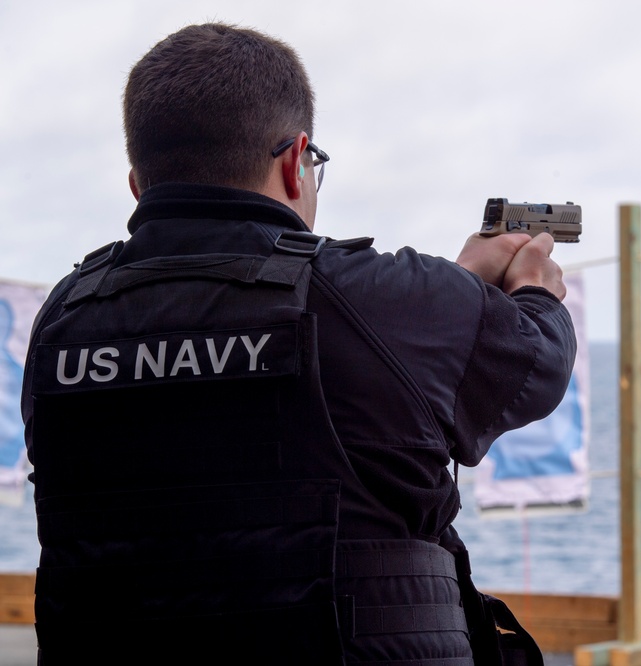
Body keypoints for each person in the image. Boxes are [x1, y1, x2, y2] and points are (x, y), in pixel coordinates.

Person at [21, 23, 575, 665]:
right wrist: (530, 286)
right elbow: (536, 359)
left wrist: (453, 295)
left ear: (139, 186)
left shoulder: (65, 317)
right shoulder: (383, 301)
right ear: (295, 161)